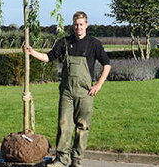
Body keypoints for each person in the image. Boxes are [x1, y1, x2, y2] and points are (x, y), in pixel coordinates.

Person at [23, 11, 111, 167]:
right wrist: (32, 52)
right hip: (67, 92)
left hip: (85, 92)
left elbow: (107, 64)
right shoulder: (64, 42)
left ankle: (76, 159)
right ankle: (62, 159)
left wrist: (98, 85)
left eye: (81, 24)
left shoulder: (94, 43)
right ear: (73, 25)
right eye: (76, 24)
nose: (78, 28)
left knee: (82, 126)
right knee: (64, 124)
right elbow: (48, 57)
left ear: (86, 25)